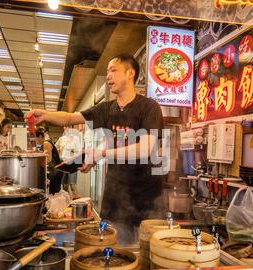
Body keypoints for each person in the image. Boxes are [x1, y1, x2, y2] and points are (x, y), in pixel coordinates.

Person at [26, 53, 166, 244]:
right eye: (107, 71)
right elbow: (69, 118)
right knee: (113, 250)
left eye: (113, 70)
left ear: (130, 73)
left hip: (146, 198)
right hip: (116, 196)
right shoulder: (106, 109)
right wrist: (46, 115)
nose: (108, 76)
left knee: (143, 255)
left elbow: (146, 148)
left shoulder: (149, 107)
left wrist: (101, 153)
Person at [56, 126, 82, 198]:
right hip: (63, 163)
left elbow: (79, 152)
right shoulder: (61, 139)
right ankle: (68, 202)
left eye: (68, 126)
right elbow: (56, 148)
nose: (66, 128)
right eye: (65, 126)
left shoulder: (76, 138)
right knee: (64, 186)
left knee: (73, 185)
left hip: (72, 163)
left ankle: (76, 202)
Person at [35, 128, 63, 194]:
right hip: (55, 172)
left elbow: (48, 160)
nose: (36, 140)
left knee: (53, 196)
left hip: (55, 173)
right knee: (53, 195)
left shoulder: (46, 143)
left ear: (40, 136)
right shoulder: (45, 143)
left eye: (36, 138)